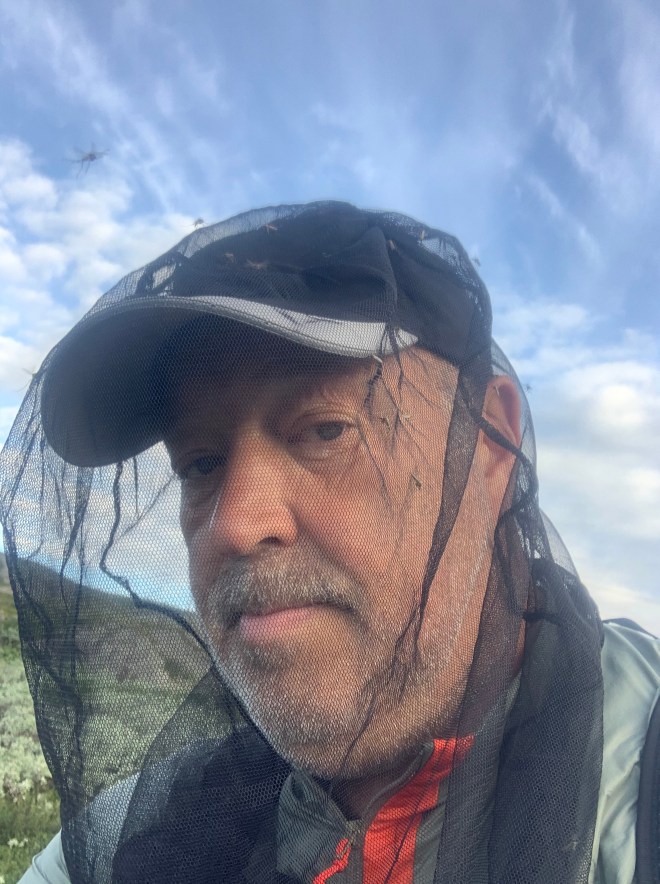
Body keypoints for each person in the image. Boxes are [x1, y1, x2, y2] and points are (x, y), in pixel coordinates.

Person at [3, 202, 658, 884]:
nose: (234, 525)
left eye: (325, 430)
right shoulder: (150, 832)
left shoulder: (642, 781)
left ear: (491, 444)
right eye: (200, 464)